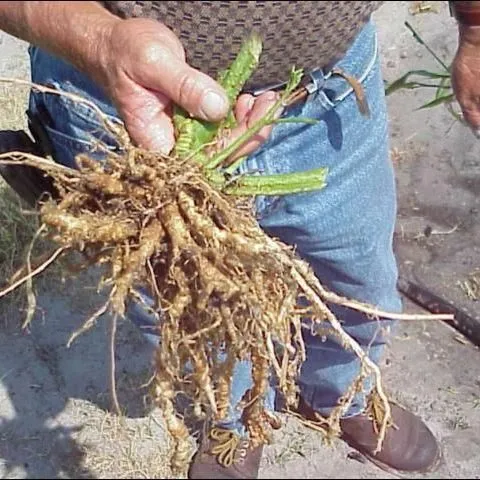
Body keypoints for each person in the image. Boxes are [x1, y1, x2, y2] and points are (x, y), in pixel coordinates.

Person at [0, 1, 478, 478]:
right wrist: (99, 40)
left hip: (327, 96)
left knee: (360, 276)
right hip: (120, 103)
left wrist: (475, 26)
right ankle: (234, 418)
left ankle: (345, 392)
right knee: (189, 307)